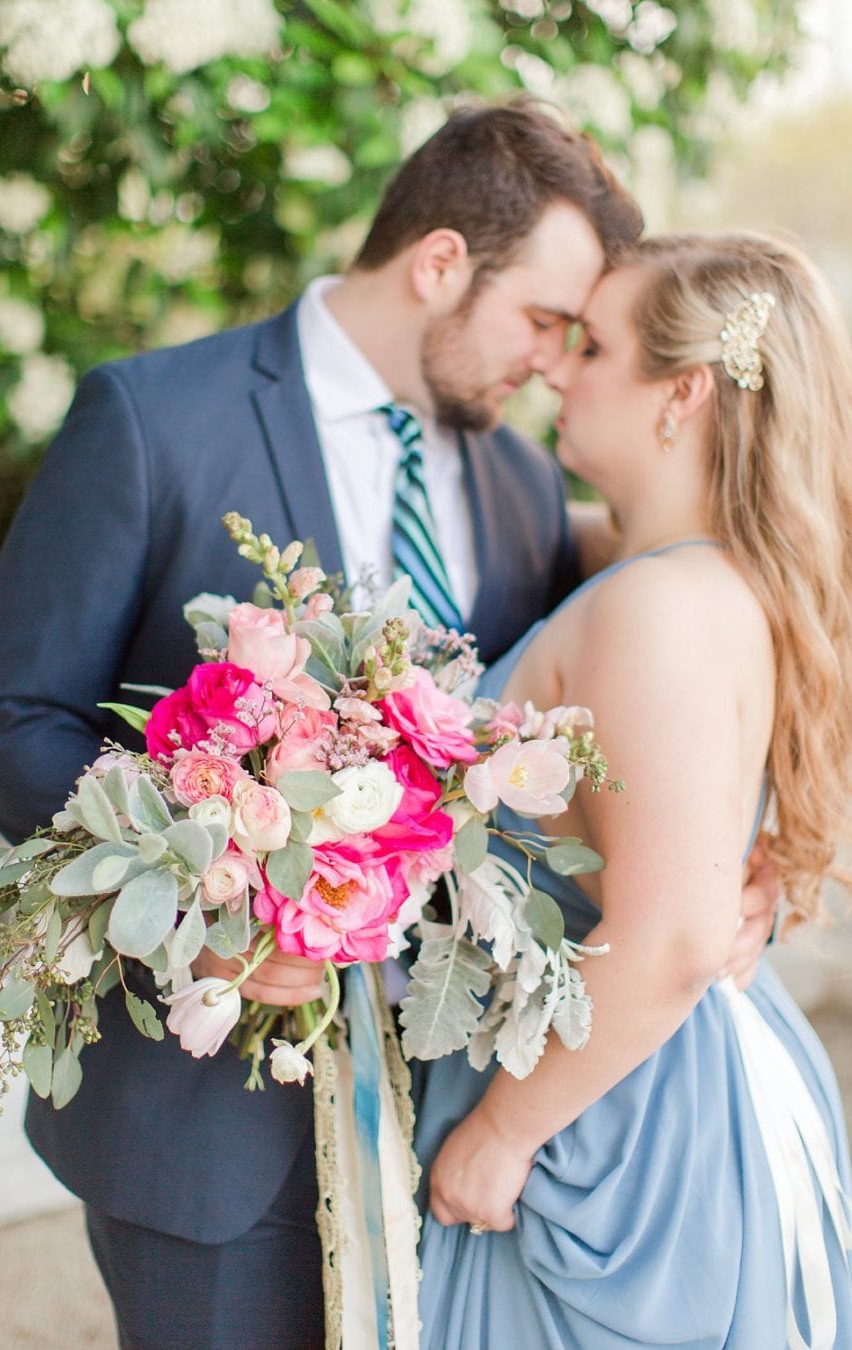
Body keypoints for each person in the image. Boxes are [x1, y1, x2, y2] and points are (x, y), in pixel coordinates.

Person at [0, 101, 775, 1348]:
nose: (554, 364)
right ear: (440, 264)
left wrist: (747, 867)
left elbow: (641, 701)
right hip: (211, 1111)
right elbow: (11, 718)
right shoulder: (155, 418)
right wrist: (216, 896)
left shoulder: (517, 476)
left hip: (454, 1100)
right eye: (545, 321)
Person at [415, 232, 852, 1346]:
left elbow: (671, 932)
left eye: (595, 346)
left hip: (612, 1124)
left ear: (684, 394)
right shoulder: (694, 576)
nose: (558, 369)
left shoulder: (663, 608)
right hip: (649, 1081)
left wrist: (504, 1133)